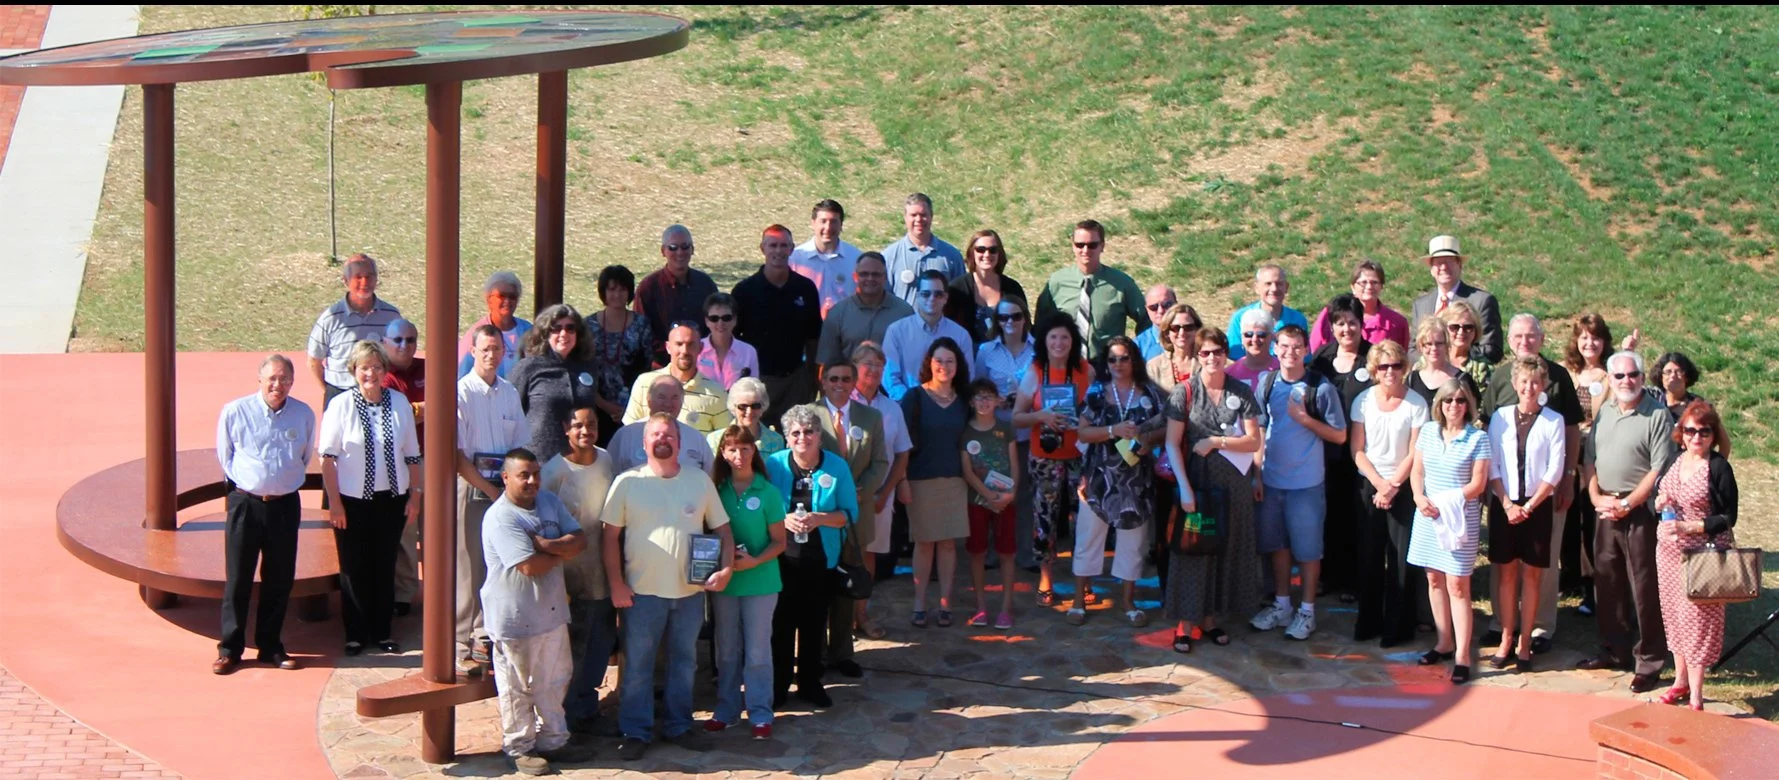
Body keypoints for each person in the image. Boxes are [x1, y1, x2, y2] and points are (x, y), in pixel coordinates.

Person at [603, 414, 735, 761]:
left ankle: (679, 725)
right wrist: (616, 583)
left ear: (679, 442)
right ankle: (635, 730)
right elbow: (609, 536)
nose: (663, 439)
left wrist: (726, 568)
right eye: (656, 435)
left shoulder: (699, 480)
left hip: (690, 594)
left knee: (684, 662)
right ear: (644, 443)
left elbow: (722, 529)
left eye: (670, 434)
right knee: (638, 666)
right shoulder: (627, 482)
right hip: (642, 592)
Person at [479, 448, 591, 774]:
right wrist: (563, 552)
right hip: (514, 618)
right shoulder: (501, 517)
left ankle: (554, 741)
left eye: (535, 474)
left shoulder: (549, 503)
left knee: (554, 681)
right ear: (505, 478)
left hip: (552, 613)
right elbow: (529, 566)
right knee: (517, 687)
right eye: (523, 475)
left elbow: (580, 539)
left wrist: (549, 546)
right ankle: (519, 747)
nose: (531, 481)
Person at [1480, 314, 1584, 653]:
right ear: (1510, 341)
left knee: (1543, 560)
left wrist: (1567, 478)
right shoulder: (1499, 377)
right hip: (1505, 489)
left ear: (1541, 338)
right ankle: (1502, 624)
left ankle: (1539, 627)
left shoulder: (1558, 377)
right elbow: (1488, 432)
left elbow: (1571, 431)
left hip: (1544, 489)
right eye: (1519, 336)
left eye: (1532, 335)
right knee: (1503, 561)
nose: (1525, 341)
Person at [1161, 327, 1263, 652]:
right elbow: (1172, 443)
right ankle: (1184, 624)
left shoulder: (1241, 390)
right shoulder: (1185, 392)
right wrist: (1185, 488)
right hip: (1199, 484)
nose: (1211, 358)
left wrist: (1217, 442)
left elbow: (1253, 440)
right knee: (1192, 550)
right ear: (1197, 356)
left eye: (1217, 352)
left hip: (1234, 486)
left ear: (1224, 354)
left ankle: (1211, 619)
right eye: (1204, 353)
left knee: (1224, 551)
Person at [1579, 351, 1674, 694]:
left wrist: (1628, 503)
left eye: (1632, 374)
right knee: (1607, 581)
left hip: (1639, 512)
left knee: (1643, 587)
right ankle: (1614, 649)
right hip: (1605, 507)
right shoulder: (1604, 412)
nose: (1626, 381)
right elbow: (1590, 460)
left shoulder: (1657, 415)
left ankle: (1648, 660)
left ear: (1643, 377)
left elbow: (1658, 468)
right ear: (1610, 378)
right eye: (1618, 376)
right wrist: (1594, 497)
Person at [213, 355, 315, 674]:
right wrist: (251, 483)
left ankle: (270, 645)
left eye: (285, 379)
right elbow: (225, 457)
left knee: (279, 578)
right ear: (259, 379)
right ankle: (230, 648)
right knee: (239, 578)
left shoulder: (303, 414)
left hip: (285, 505)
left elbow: (305, 454)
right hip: (246, 503)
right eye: (272, 378)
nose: (278, 385)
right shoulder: (235, 412)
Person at [319, 341, 421, 656]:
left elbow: (413, 456)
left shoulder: (400, 402)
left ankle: (382, 632)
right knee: (353, 567)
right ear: (354, 371)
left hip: (391, 500)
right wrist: (334, 503)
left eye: (376, 367)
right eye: (364, 367)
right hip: (351, 503)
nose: (371, 373)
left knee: (384, 564)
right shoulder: (340, 405)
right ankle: (355, 634)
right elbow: (327, 459)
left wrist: (414, 496)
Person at [1249, 326, 1348, 641]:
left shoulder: (1320, 388)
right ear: (1275, 349)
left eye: (1296, 347)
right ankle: (1282, 605)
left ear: (1306, 349)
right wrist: (1257, 474)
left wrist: (1306, 419)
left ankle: (1307, 610)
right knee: (1277, 546)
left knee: (1307, 551)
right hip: (1273, 481)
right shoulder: (1267, 383)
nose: (1289, 353)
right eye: (1284, 346)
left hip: (1306, 484)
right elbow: (1260, 432)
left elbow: (1340, 435)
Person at [800, 360, 888, 679]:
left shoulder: (871, 417)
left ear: (854, 382)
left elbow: (881, 460)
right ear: (823, 382)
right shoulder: (807, 416)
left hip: (855, 515)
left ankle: (842, 652)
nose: (840, 383)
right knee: (817, 586)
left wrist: (864, 489)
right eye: (833, 378)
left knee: (846, 584)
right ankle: (815, 654)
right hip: (820, 515)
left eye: (846, 378)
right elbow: (800, 456)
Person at [765, 406, 859, 708]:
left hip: (821, 559)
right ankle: (778, 686)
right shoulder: (774, 464)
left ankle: (809, 683)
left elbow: (848, 515)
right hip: (781, 558)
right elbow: (764, 510)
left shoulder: (837, 467)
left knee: (814, 623)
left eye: (809, 431)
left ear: (819, 435)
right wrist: (784, 519)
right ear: (786, 438)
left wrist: (818, 518)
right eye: (795, 433)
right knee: (780, 624)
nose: (802, 437)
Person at [1071, 336, 1167, 628]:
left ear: (1133, 360)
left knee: (1133, 544)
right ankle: (1078, 599)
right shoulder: (1097, 392)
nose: (1118, 365)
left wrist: (1148, 440)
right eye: (1112, 359)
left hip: (1136, 480)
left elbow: (1166, 428)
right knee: (1088, 539)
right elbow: (1083, 433)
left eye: (1123, 358)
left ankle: (1127, 600)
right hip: (1099, 479)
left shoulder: (1151, 393)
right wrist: (1113, 430)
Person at [454, 325, 532, 669]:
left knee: (498, 565)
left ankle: (488, 635)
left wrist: (510, 489)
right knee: (469, 564)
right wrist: (488, 489)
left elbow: (521, 444)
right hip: (473, 487)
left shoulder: (510, 393)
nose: (491, 355)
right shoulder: (461, 393)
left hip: (505, 491)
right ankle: (460, 641)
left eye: (496, 349)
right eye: (485, 349)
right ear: (473, 351)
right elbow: (457, 455)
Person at [1652, 401, 1738, 711]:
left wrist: (1692, 525)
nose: (1696, 437)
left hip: (1704, 556)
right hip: (1669, 554)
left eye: (1704, 431)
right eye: (1690, 431)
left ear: (1713, 435)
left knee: (1699, 622)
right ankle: (1679, 683)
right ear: (1681, 433)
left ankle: (1698, 696)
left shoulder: (1718, 467)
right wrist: (1660, 502)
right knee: (1674, 617)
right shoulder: (1675, 461)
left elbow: (1729, 516)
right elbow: (1656, 499)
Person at [539, 406, 619, 736]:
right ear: (565, 428)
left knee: (600, 640)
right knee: (570, 646)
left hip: (603, 567)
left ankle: (588, 705)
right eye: (578, 425)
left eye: (591, 425)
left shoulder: (606, 461)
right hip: (568, 574)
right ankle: (565, 711)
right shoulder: (554, 470)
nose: (585, 430)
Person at [1407, 379, 1490, 684]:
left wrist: (1446, 502)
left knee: (1457, 585)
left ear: (1468, 404)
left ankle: (1463, 655)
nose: (1453, 406)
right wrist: (1418, 496)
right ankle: (1443, 642)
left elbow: (1478, 483)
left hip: (1457, 518)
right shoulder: (1428, 432)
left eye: (1459, 400)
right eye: (1448, 401)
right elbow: (1418, 470)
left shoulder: (1477, 438)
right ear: (1439, 404)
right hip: (1429, 515)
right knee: (1433, 579)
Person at [1486, 357, 1566, 673]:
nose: (1529, 388)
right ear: (1516, 384)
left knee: (1532, 575)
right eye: (1524, 382)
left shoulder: (1553, 420)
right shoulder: (1500, 418)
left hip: (1538, 504)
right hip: (1504, 504)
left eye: (1535, 382)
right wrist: (1506, 503)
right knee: (1506, 573)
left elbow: (1555, 468)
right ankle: (1507, 636)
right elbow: (1491, 462)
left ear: (1543, 385)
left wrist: (1530, 506)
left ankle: (1525, 643)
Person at [707, 425, 786, 739]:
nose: (739, 455)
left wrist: (754, 560)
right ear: (723, 454)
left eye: (745, 448)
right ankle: (726, 710)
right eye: (732, 449)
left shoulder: (767, 491)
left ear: (754, 451)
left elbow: (779, 542)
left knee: (756, 651)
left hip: (761, 582)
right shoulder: (715, 490)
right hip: (725, 583)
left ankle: (760, 713)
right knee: (726, 650)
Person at [1349, 339, 1429, 648]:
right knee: (1369, 557)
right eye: (1383, 367)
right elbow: (1357, 449)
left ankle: (1398, 627)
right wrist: (1379, 484)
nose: (1390, 372)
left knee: (1401, 559)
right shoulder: (1364, 402)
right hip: (1371, 483)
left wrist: (1394, 485)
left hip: (1404, 486)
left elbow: (1415, 451)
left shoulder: (1417, 404)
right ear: (1374, 370)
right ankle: (1368, 622)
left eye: (1396, 366)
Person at [1012, 314, 1091, 609]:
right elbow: (1017, 417)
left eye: (1065, 337)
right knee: (1044, 517)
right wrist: (1041, 417)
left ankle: (1086, 578)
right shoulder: (1035, 371)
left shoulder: (1085, 370)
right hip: (1044, 458)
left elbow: (1098, 407)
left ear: (1074, 342)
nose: (1059, 343)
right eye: (1053, 337)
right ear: (1044, 341)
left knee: (1083, 520)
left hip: (1080, 457)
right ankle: (1046, 578)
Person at [900, 337, 973, 628]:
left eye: (950, 361)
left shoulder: (965, 400)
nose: (944, 366)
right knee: (924, 544)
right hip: (920, 480)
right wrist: (902, 481)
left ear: (958, 366)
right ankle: (919, 601)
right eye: (939, 360)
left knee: (948, 545)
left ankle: (945, 602)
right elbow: (901, 444)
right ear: (929, 363)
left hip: (955, 481)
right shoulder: (914, 397)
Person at [1311, 294, 1373, 603]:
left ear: (1362, 325)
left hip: (1362, 453)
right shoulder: (1322, 357)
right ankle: (1327, 576)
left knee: (1356, 515)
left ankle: (1353, 580)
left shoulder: (1372, 358)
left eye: (1352, 322)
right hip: (1326, 452)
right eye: (1339, 323)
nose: (1346, 329)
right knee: (1328, 514)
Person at [734, 225, 824, 426]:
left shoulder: (805, 288)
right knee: (757, 438)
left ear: (792, 249)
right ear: (762, 248)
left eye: (784, 245)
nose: (778, 251)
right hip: (758, 379)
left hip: (795, 380)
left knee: (797, 436)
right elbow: (735, 340)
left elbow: (813, 338)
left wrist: (812, 379)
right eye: (773, 245)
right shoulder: (744, 291)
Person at [850, 342, 911, 639]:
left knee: (868, 556)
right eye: (867, 363)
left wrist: (887, 492)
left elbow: (902, 454)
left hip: (878, 499)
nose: (873, 370)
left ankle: (861, 614)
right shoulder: (839, 403)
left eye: (878, 365)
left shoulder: (891, 408)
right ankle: (839, 620)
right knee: (843, 556)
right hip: (843, 498)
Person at [974, 295, 1038, 572]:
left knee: (1024, 495)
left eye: (1015, 316)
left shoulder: (1038, 351)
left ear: (1025, 318)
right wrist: (997, 400)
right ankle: (991, 552)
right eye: (1003, 318)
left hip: (1026, 433)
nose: (1010, 322)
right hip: (994, 433)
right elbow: (976, 390)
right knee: (992, 491)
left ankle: (1025, 553)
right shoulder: (986, 351)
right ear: (996, 322)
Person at [1034, 219, 1145, 361]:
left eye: (1092, 245)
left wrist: (1134, 352)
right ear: (1073, 246)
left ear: (1102, 246)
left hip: (1107, 367)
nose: (1085, 250)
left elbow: (1146, 319)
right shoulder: (1056, 282)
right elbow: (1040, 325)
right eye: (1080, 245)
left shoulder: (1121, 283)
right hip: (1066, 365)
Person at [959, 378, 1020, 630]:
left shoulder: (1006, 428)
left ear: (998, 401)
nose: (984, 402)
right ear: (972, 402)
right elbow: (967, 472)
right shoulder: (966, 432)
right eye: (979, 397)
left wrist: (1011, 493)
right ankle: (980, 606)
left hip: (1006, 501)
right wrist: (988, 496)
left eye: (989, 396)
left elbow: (1015, 464)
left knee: (1007, 552)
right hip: (977, 501)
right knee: (977, 553)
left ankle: (1006, 608)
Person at [308, 253, 401, 409]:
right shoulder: (331, 317)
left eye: (369, 276)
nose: (364, 282)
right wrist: (329, 391)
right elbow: (313, 361)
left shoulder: (391, 316)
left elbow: (398, 356)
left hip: (378, 396)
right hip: (339, 393)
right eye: (358, 277)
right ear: (346, 281)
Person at [511, 304, 600, 464]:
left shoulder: (589, 366)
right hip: (539, 461)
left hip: (580, 461)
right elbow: (509, 414)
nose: (563, 333)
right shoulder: (528, 367)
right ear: (545, 333)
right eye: (556, 328)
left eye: (570, 328)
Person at [380, 319, 426, 617]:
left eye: (410, 340)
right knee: (407, 533)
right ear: (385, 342)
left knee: (438, 529)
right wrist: (426, 407)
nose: (404, 346)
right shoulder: (383, 376)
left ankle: (440, 590)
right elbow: (398, 418)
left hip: (435, 459)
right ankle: (406, 593)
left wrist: (416, 409)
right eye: (397, 340)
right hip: (401, 464)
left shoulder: (428, 368)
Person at [621, 324, 733, 434]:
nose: (684, 351)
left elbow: (722, 439)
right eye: (679, 344)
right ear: (668, 347)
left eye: (691, 344)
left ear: (700, 348)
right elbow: (630, 431)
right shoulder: (644, 383)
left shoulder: (717, 392)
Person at [883, 270, 976, 399]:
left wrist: (945, 403)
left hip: (948, 406)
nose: (932, 299)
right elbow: (890, 378)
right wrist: (911, 401)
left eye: (938, 294)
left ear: (946, 298)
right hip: (907, 407)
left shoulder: (960, 335)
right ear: (917, 296)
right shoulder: (896, 331)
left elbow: (967, 377)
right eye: (926, 294)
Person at [588, 265, 654, 447]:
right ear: (603, 292)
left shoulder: (641, 325)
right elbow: (582, 371)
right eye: (611, 289)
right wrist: (603, 404)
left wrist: (629, 407)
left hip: (633, 407)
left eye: (622, 289)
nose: (617, 294)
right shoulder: (588, 326)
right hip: (596, 406)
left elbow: (646, 369)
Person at [635, 224, 719, 363]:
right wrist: (676, 353)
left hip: (703, 366)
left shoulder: (705, 284)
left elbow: (715, 326)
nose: (680, 252)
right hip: (662, 368)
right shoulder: (648, 288)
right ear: (663, 251)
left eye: (685, 247)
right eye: (673, 247)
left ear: (692, 249)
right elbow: (642, 334)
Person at [1412, 235, 1503, 364]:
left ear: (1459, 265)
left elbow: (1492, 350)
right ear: (1431, 269)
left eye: (1449, 261)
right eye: (1438, 262)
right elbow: (1412, 348)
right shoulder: (1420, 305)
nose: (1444, 267)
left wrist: (1458, 360)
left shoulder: (1481, 301)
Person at [815, 252, 914, 369]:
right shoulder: (838, 313)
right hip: (849, 385)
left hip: (891, 385)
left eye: (876, 274)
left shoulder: (904, 312)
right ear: (855, 277)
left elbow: (912, 358)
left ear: (885, 277)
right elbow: (826, 363)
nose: (870, 278)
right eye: (864, 274)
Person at [609, 376, 716, 475]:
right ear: (649, 400)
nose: (668, 403)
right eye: (662, 397)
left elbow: (710, 477)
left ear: (682, 401)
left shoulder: (696, 438)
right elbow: (610, 474)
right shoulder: (626, 435)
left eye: (674, 397)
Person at [946, 229, 1027, 346]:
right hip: (966, 356)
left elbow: (1024, 326)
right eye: (981, 250)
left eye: (993, 250)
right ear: (972, 253)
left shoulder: (1012, 289)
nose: (987, 255)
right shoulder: (956, 289)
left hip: (1005, 356)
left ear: (1000, 254)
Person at [883, 192, 966, 304]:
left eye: (923, 215)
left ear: (931, 216)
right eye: (913, 215)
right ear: (905, 218)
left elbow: (960, 298)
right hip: (902, 321)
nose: (919, 219)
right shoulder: (889, 256)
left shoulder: (951, 256)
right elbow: (883, 299)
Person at [1311, 259, 1409, 354]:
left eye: (1374, 282)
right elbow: (1315, 351)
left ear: (1381, 287)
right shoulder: (1331, 313)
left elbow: (1402, 360)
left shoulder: (1397, 323)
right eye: (1363, 282)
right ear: (1353, 286)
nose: (1369, 287)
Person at [789, 199, 861, 317]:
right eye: (823, 221)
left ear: (841, 225)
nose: (828, 228)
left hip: (844, 326)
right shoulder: (796, 259)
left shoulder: (855, 258)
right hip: (806, 327)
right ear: (813, 223)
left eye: (833, 222)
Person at [456, 270, 532, 379]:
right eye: (501, 296)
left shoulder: (527, 330)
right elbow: (461, 375)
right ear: (489, 300)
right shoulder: (477, 334)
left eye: (512, 296)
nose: (507, 301)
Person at [1226, 264, 1309, 360]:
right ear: (1257, 288)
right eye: (1268, 284)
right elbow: (1235, 355)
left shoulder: (1297, 319)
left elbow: (1304, 356)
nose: (1274, 289)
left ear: (1286, 287)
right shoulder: (1240, 318)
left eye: (1279, 284)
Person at [1408, 317, 1478, 406]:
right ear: (1421, 346)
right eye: (1429, 344)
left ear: (1447, 345)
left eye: (1439, 343)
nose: (1434, 348)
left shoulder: (1463, 380)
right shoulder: (1412, 379)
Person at [697, 292, 760, 391]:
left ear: (735, 320)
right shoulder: (695, 349)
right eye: (714, 318)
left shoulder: (749, 352)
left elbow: (754, 390)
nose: (720, 323)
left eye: (726, 318)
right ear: (706, 321)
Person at [708, 376, 785, 456]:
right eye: (742, 406)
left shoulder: (776, 440)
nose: (749, 411)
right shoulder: (715, 440)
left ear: (763, 407)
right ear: (733, 407)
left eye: (755, 406)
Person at [1441, 301, 1494, 398]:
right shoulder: (1432, 359)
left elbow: (1486, 404)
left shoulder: (1483, 367)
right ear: (1444, 329)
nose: (1461, 332)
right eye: (1454, 327)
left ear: (1476, 331)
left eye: (1468, 327)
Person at [1147, 303, 1202, 394]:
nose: (1182, 332)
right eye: (1175, 328)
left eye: (1188, 327)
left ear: (1197, 330)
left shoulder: (1207, 362)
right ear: (1167, 333)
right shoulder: (1154, 366)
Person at [1226, 308, 1279, 387]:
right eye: (1248, 334)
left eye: (1261, 335)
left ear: (1271, 337)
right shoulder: (1229, 374)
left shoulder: (1283, 370)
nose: (1254, 339)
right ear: (1242, 337)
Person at [1132, 284, 1178, 361]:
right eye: (1153, 307)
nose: (1160, 311)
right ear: (1146, 309)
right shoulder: (1138, 345)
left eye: (1167, 305)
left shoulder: (1192, 336)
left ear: (1176, 304)